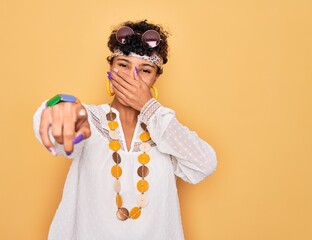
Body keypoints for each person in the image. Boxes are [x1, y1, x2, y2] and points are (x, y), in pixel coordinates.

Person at [33, 20, 217, 240]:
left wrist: (149, 107)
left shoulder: (163, 130)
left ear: (156, 77)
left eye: (145, 70)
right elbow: (61, 129)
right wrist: (59, 108)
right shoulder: (90, 120)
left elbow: (205, 163)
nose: (132, 77)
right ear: (110, 68)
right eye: (123, 65)